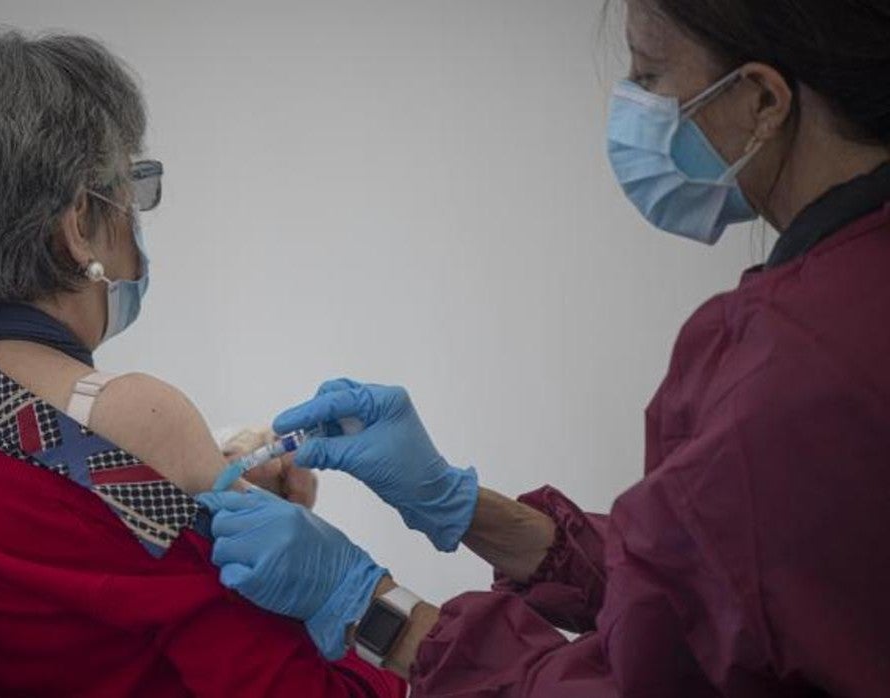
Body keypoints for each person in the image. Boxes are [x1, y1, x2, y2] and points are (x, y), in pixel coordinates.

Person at [197, 1, 890, 695]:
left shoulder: (794, 366)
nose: (632, 104)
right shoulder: (846, 296)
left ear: (763, 100)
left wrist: (370, 608)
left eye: (650, 76)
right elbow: (706, 597)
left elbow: (656, 675)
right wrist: (459, 504)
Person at [0, 26, 402, 697]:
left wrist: (209, 479)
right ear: (79, 225)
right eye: (134, 189)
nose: (136, 224)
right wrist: (361, 602)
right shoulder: (131, 416)